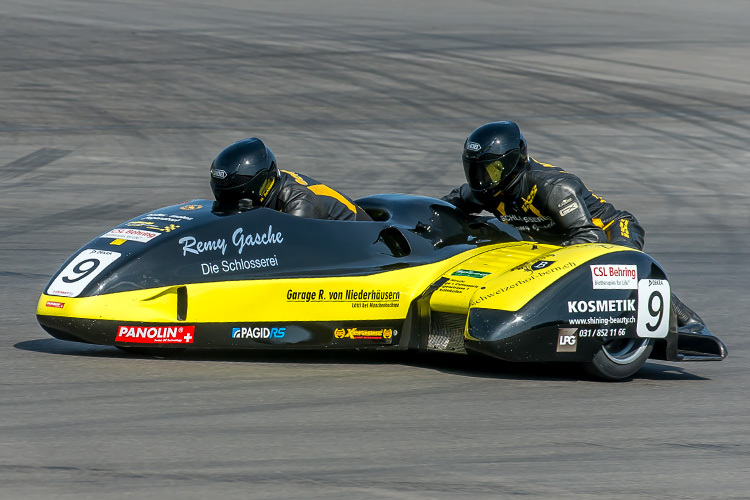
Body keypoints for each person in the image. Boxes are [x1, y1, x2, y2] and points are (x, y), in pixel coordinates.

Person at [442, 120, 702, 326]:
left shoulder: (551, 187)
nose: (481, 179)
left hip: (609, 230)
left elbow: (590, 239)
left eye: (491, 169)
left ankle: (689, 323)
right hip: (558, 240)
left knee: (622, 269)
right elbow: (445, 208)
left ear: (512, 162)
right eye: (475, 170)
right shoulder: (484, 190)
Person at [209, 137, 371, 221]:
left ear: (257, 188)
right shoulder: (270, 181)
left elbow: (289, 253)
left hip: (365, 242)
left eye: (233, 197)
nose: (227, 203)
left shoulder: (298, 203)